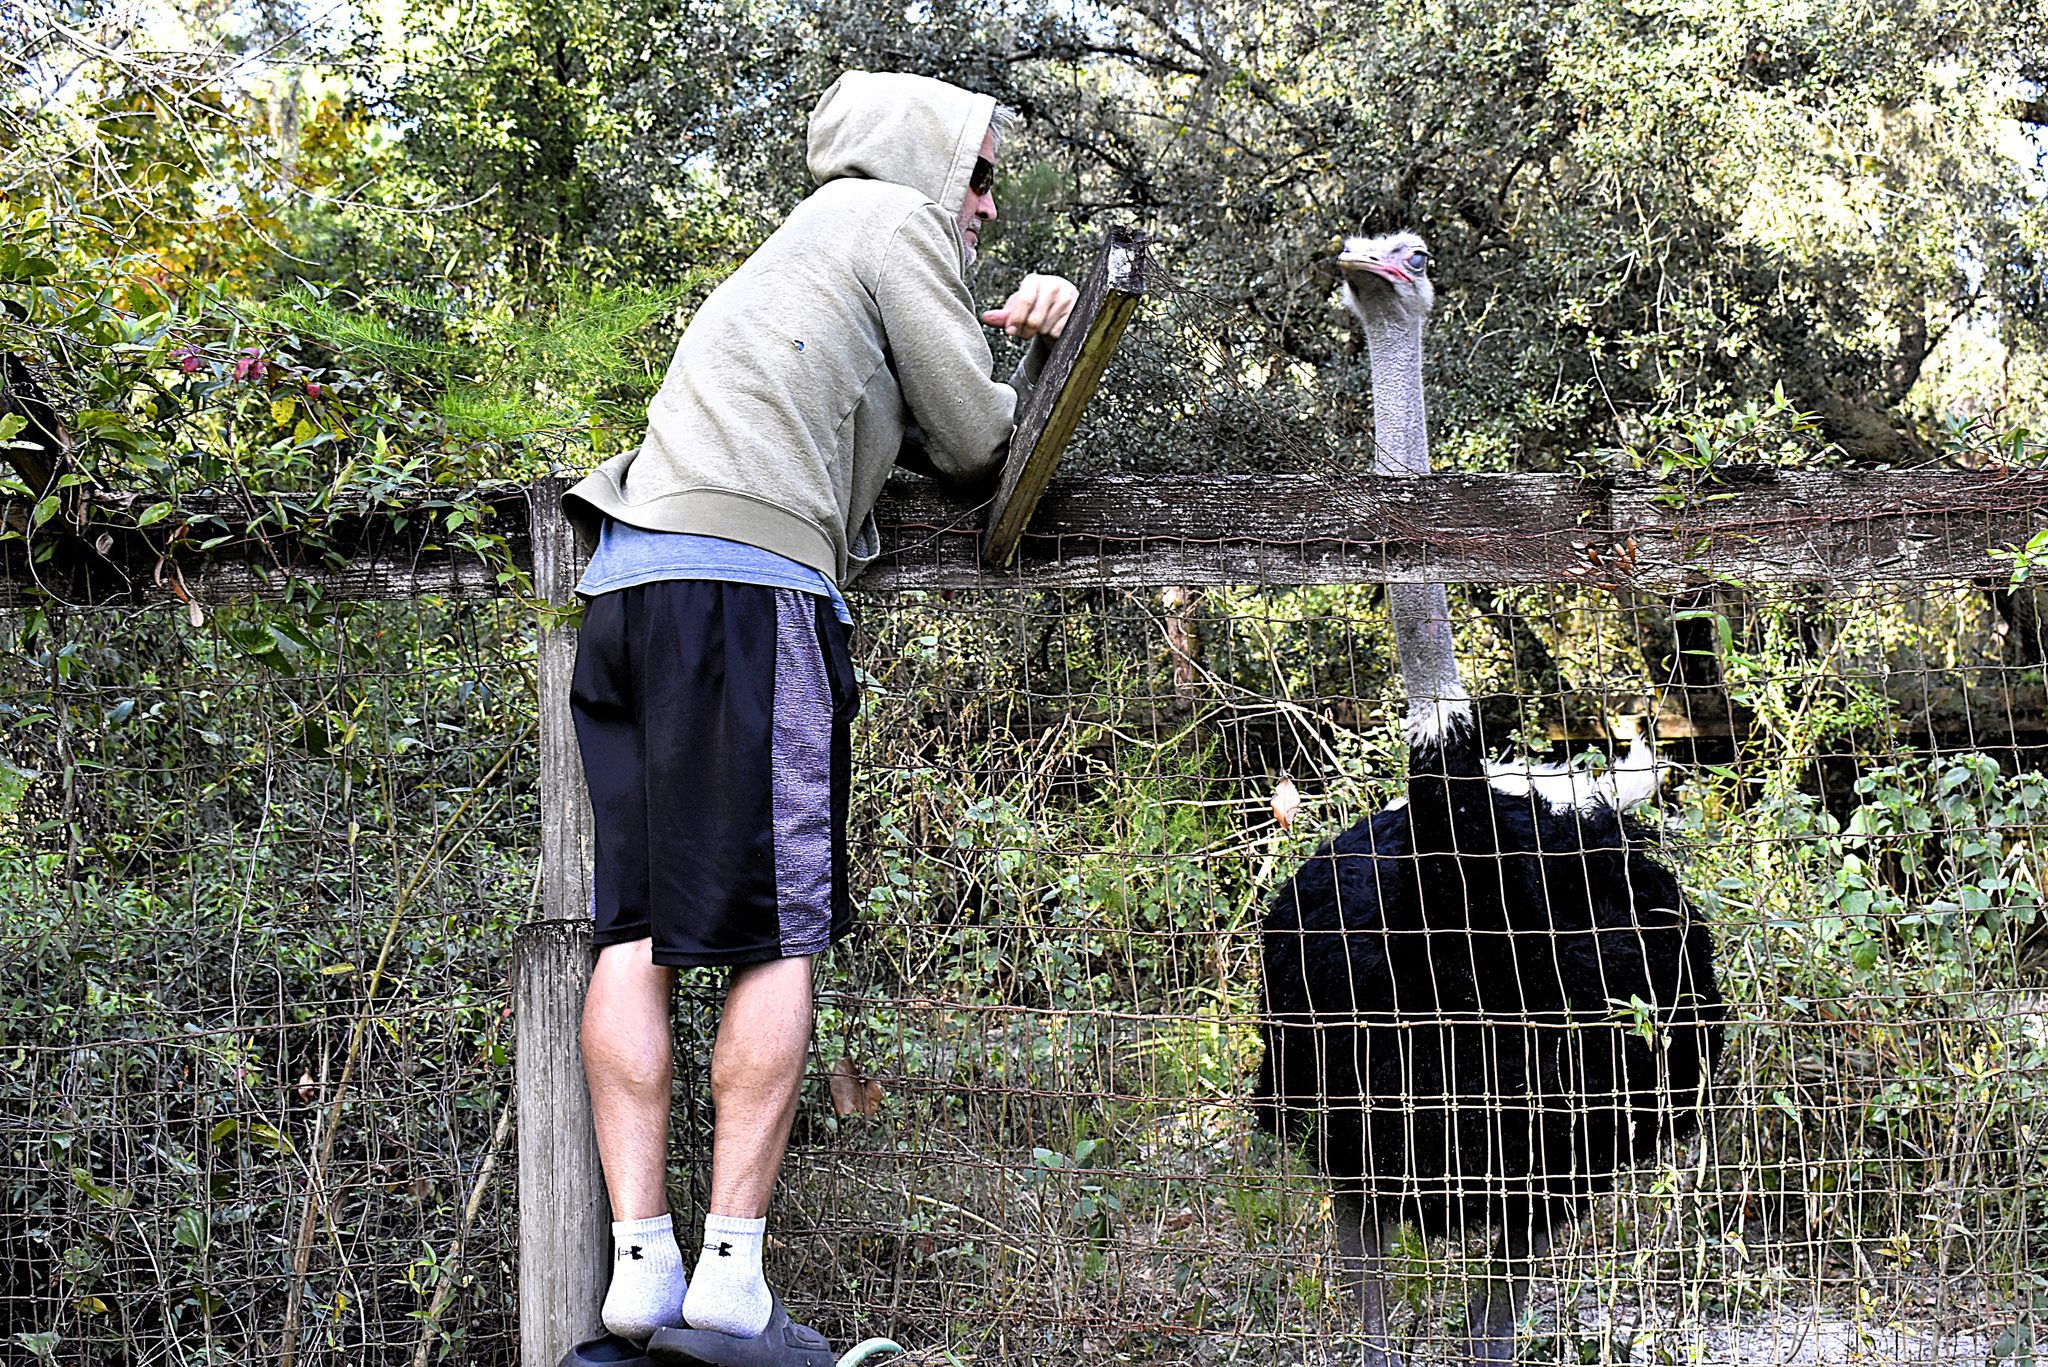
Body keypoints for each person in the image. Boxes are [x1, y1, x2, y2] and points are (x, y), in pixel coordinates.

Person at [558, 70, 1078, 1364]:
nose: (986, 201)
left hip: (628, 582)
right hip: (748, 593)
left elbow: (888, 413)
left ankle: (642, 1267)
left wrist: (966, 344)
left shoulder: (802, 246)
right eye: (977, 173)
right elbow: (974, 443)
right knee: (781, 928)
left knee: (634, 928)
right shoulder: (890, 219)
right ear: (922, 160)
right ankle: (731, 1275)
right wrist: (1047, 343)